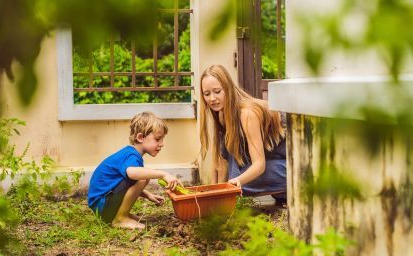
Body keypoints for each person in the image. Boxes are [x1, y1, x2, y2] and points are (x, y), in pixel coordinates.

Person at [199, 64, 287, 205]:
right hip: (274, 159)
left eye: (217, 91)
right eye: (207, 94)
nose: (212, 98)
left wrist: (234, 183)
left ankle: (288, 190)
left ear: (228, 89)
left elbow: (259, 165)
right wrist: (213, 195)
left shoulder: (247, 114)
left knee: (236, 180)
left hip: (296, 165)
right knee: (230, 158)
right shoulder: (222, 114)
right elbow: (221, 161)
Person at [87, 111, 182, 229]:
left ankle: (121, 214)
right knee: (142, 178)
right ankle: (120, 219)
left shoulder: (131, 154)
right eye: (158, 139)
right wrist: (162, 174)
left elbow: (124, 182)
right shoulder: (131, 156)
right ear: (140, 137)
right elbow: (131, 173)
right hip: (101, 204)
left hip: (101, 204)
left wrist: (147, 195)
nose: (162, 144)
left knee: (141, 177)